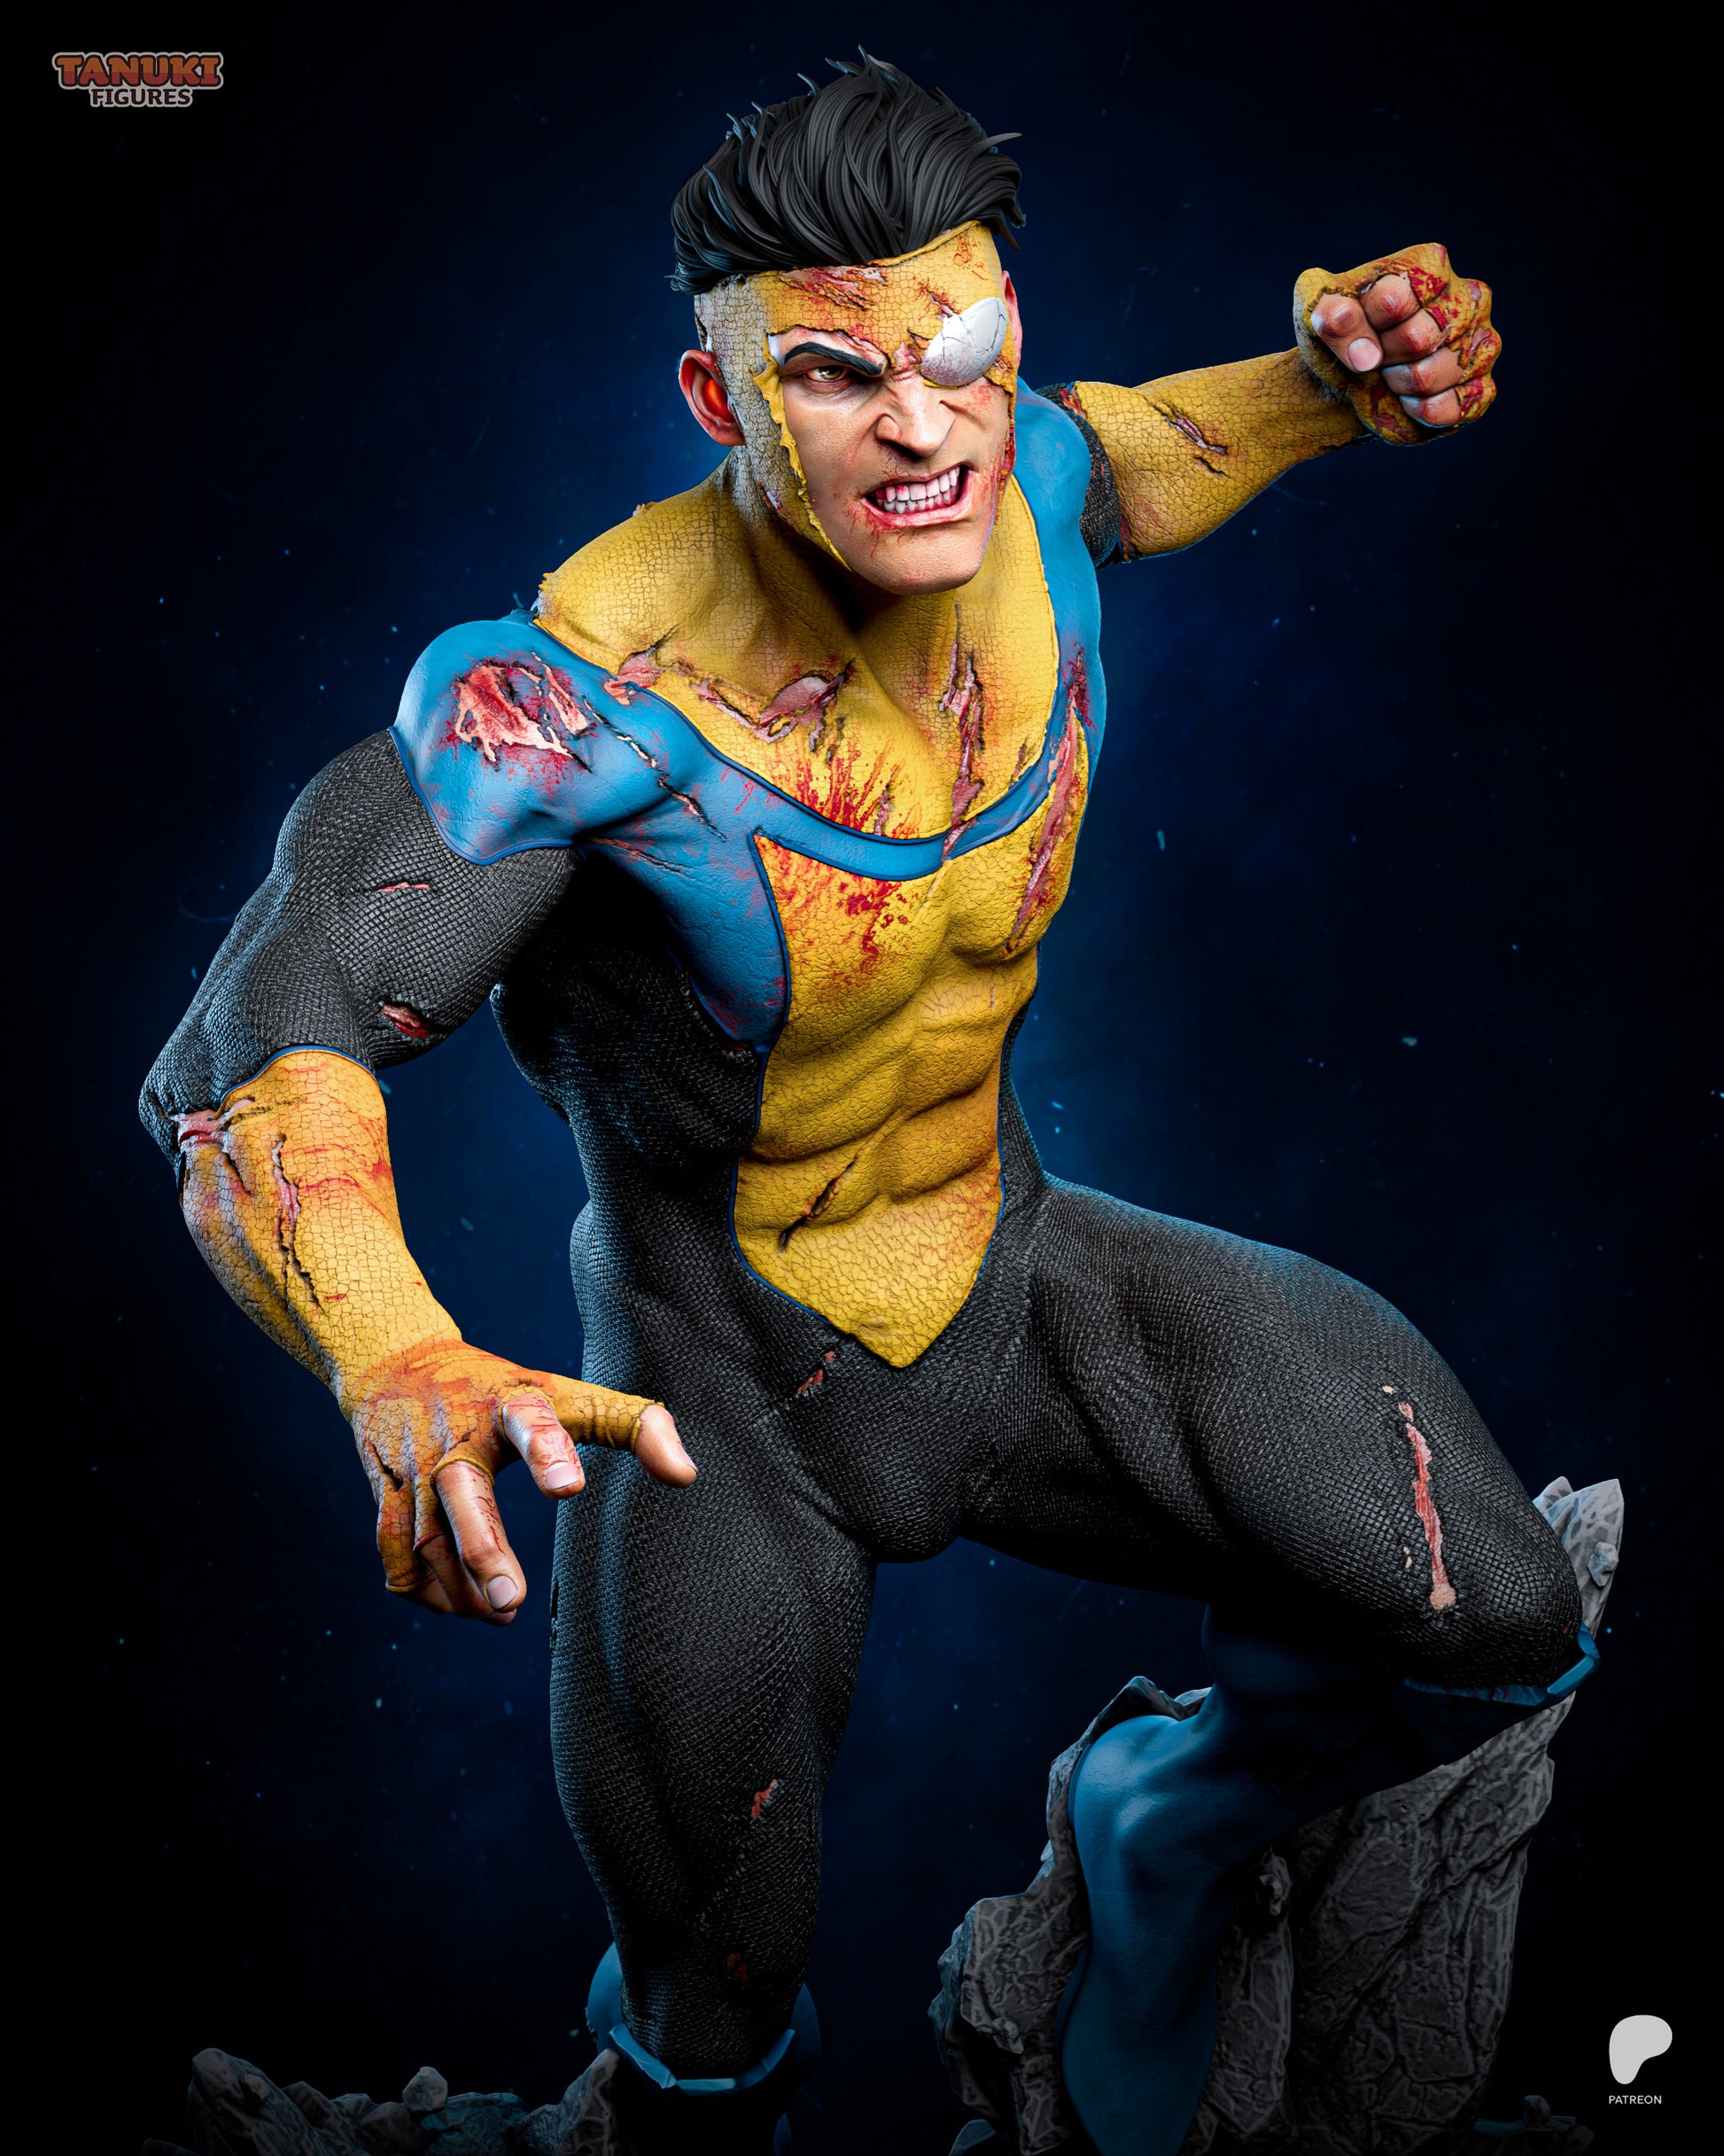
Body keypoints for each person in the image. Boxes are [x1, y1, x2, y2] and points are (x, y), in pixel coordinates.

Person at [142, 56, 1590, 2156]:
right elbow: (252, 1039)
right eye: (833, 377)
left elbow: (1136, 449)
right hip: (720, 1405)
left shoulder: (1029, 487)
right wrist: (391, 1345)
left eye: (960, 358)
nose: (921, 428)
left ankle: (1166, 1813)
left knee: (1504, 1606)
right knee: (711, 2023)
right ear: (718, 398)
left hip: (1015, 1286)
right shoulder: (581, 706)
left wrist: (1321, 380)